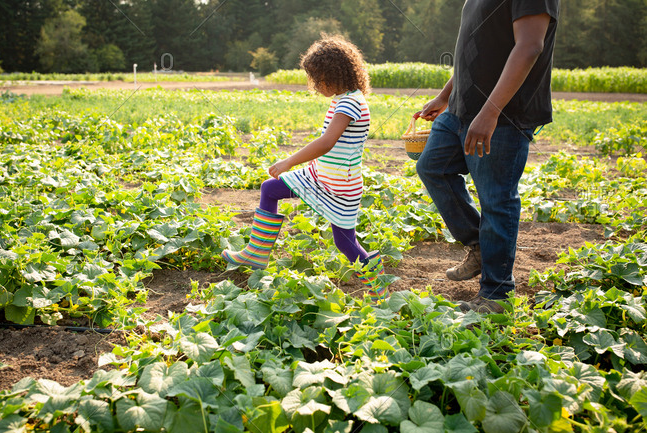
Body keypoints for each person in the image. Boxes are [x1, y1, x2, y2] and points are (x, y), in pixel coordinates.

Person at [415, 1, 560, 313]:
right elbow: (475, 48)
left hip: (503, 114)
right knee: (433, 168)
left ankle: (496, 295)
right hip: (460, 107)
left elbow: (529, 46)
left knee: (496, 199)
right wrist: (445, 95)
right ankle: (479, 245)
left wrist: (490, 112)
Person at [222, 35, 387, 303]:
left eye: (317, 78)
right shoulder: (345, 98)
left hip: (339, 186)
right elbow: (334, 146)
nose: (314, 85)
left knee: (345, 242)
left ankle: (379, 290)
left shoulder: (349, 103)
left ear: (333, 75)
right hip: (321, 176)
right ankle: (256, 252)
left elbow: (326, 142)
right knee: (270, 189)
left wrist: (289, 162)